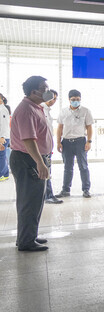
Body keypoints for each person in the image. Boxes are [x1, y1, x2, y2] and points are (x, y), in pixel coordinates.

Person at [10, 76, 54, 251]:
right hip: (28, 159)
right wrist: (40, 163)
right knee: (29, 201)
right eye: (44, 87)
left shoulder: (36, 107)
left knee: (35, 200)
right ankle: (26, 241)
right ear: (34, 91)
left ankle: (28, 236)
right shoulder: (27, 110)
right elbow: (28, 140)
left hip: (32, 158)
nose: (47, 90)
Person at [55, 90, 93, 198]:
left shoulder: (85, 111)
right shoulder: (63, 111)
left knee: (83, 167)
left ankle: (86, 189)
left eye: (78, 99)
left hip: (80, 142)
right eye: (73, 100)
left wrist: (89, 141)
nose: (75, 101)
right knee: (67, 167)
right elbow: (60, 127)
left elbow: (89, 127)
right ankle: (65, 190)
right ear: (69, 99)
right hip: (66, 142)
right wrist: (58, 142)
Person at [40, 90, 62, 204]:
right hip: (42, 147)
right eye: (53, 98)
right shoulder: (41, 109)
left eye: (55, 99)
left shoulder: (47, 110)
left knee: (47, 171)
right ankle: (48, 195)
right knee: (46, 172)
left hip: (47, 146)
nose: (54, 101)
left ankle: (47, 195)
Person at [0, 92, 10, 182]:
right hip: (2, 136)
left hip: (3, 137)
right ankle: (6, 173)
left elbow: (4, 124)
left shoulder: (2, 110)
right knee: (2, 156)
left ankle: (1, 175)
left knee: (1, 156)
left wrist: (2, 137)